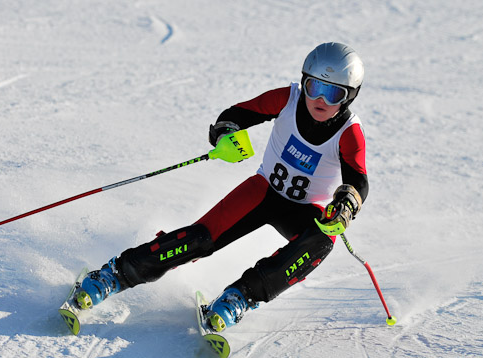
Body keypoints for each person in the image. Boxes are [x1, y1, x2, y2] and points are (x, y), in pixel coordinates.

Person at [75, 42, 368, 332]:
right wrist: (226, 132)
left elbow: (358, 181)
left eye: (333, 93)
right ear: (303, 82)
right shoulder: (287, 99)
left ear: (349, 98)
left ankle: (240, 297)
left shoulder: (348, 132)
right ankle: (115, 274)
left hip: (306, 210)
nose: (320, 99)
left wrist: (345, 207)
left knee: (321, 242)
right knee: (200, 239)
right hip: (262, 192)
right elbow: (238, 113)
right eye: (313, 87)